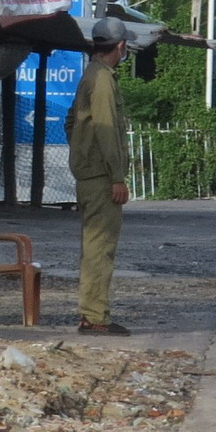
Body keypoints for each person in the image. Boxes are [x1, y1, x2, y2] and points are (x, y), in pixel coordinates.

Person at [66, 17, 133, 336]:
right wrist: (116, 177)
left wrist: (81, 150)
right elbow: (107, 132)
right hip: (102, 178)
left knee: (94, 246)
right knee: (99, 248)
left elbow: (71, 122)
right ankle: (95, 317)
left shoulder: (91, 75)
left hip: (91, 173)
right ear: (120, 46)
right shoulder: (103, 79)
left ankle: (91, 313)